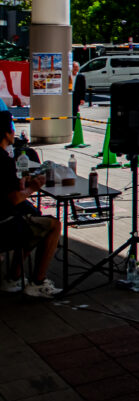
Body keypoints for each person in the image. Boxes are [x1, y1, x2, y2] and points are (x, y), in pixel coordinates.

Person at [0, 112, 62, 298]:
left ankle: (14, 277)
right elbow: (13, 199)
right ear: (5, 133)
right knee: (52, 225)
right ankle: (38, 282)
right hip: (3, 224)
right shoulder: (3, 160)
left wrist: (21, 185)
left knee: (33, 216)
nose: (14, 133)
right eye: (12, 129)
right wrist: (32, 188)